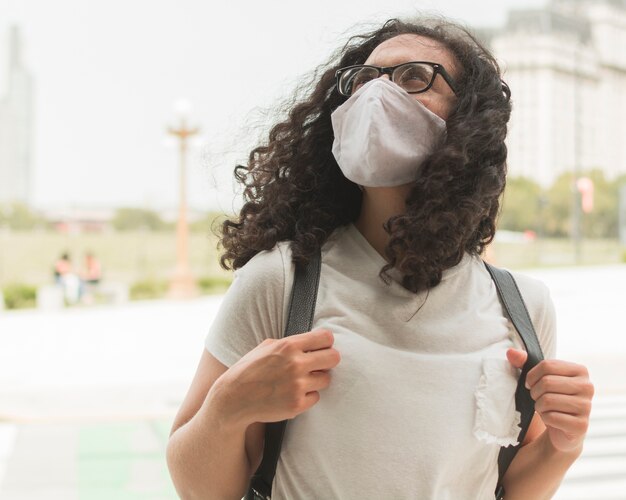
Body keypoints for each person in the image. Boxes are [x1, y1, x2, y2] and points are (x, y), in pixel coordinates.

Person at [166, 18, 594, 499]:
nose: (375, 95)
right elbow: (198, 489)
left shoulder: (522, 306)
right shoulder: (281, 281)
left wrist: (563, 446)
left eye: (413, 77)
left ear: (469, 119)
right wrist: (227, 407)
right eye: (362, 81)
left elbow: (511, 488)